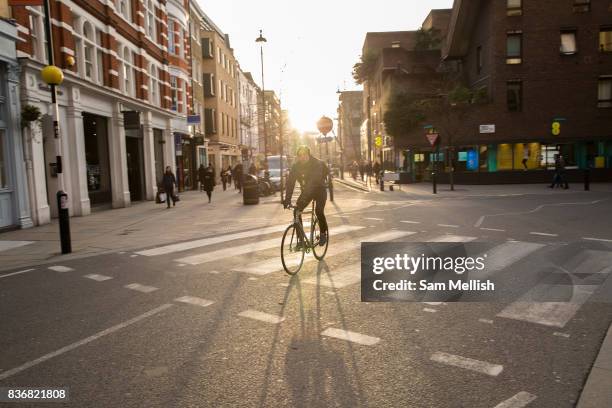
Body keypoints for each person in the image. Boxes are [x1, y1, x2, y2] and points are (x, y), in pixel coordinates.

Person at [283, 145, 329, 246]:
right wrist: (287, 200)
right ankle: (301, 240)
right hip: (307, 191)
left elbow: (313, 183)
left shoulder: (316, 164)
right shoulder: (296, 167)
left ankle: (323, 233)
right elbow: (290, 183)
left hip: (320, 190)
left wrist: (303, 197)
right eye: (300, 155)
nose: (302, 157)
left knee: (319, 211)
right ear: (297, 156)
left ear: (309, 155)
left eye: (304, 154)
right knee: (297, 211)